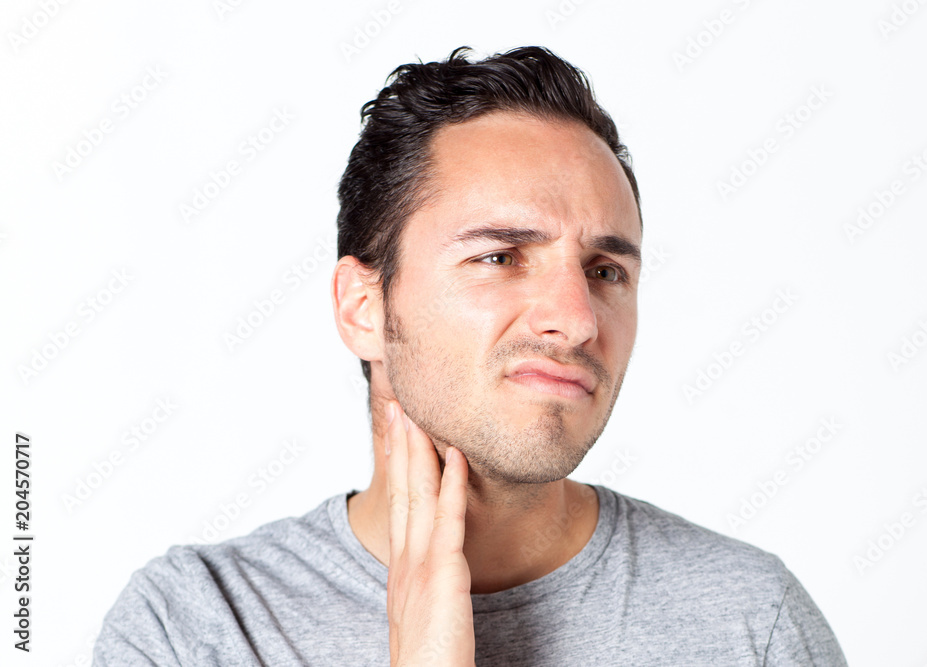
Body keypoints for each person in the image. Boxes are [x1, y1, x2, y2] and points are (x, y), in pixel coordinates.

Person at [94, 45, 848, 666]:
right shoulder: (195, 628)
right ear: (364, 307)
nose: (577, 320)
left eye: (606, 271)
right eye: (499, 256)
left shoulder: (753, 623)